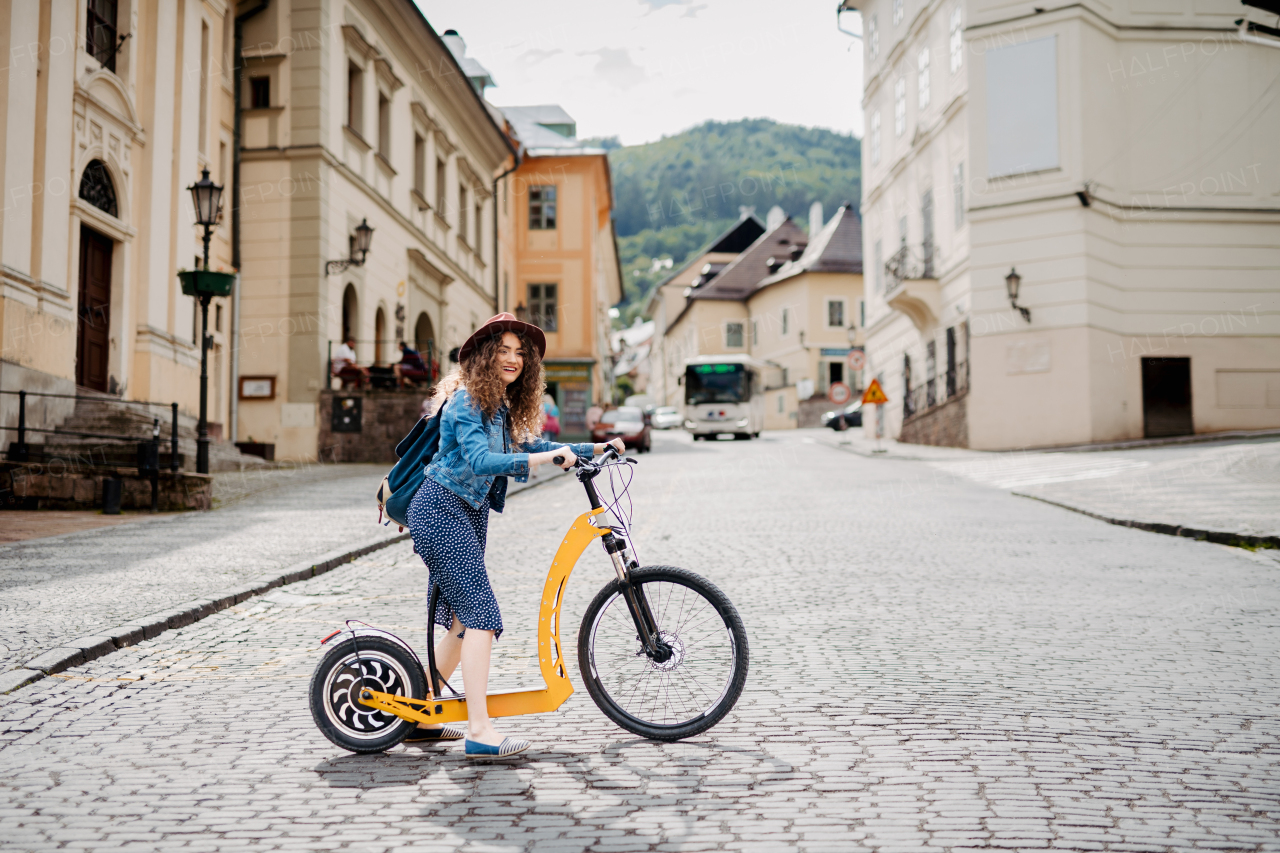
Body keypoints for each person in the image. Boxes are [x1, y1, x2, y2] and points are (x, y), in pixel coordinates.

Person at [405, 312, 624, 760]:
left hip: (466, 514)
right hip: (441, 510)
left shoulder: (497, 407)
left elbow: (534, 447)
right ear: (485, 357)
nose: (513, 359)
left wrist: (596, 448)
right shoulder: (466, 401)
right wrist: (548, 463)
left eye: (520, 353)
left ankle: (419, 713)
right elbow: (482, 461)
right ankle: (480, 731)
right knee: (482, 615)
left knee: (463, 621)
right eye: (503, 351)